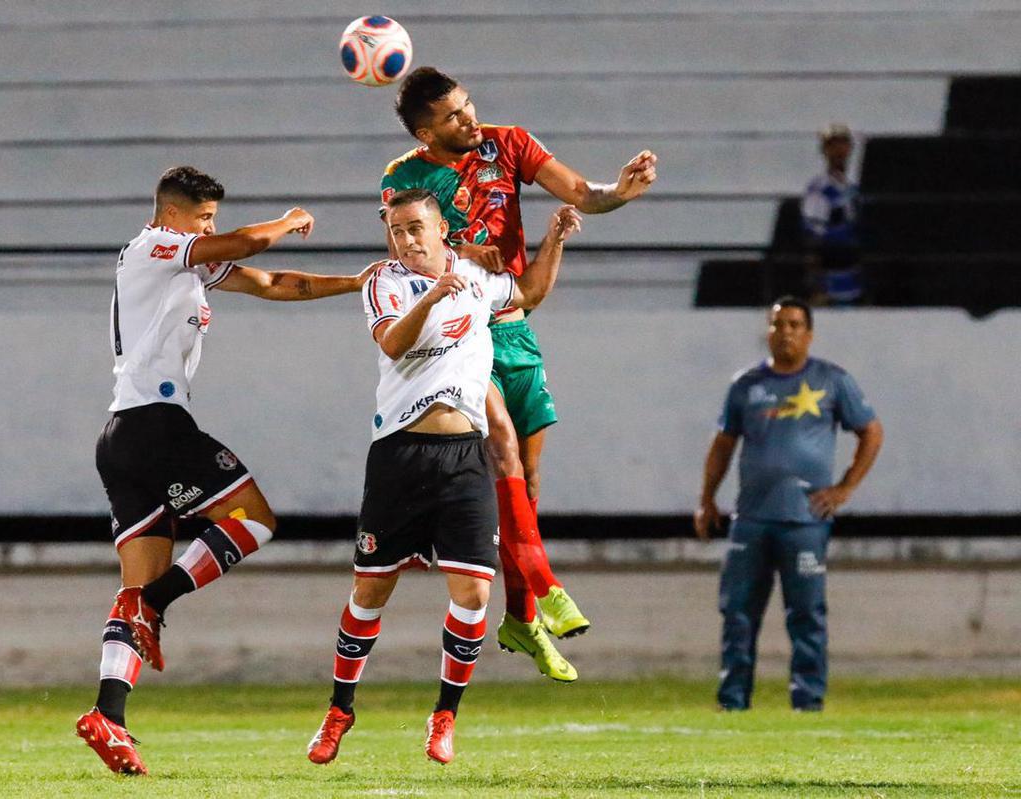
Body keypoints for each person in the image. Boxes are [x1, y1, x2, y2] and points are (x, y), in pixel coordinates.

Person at [75, 165, 374, 776]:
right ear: (172, 215)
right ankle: (153, 605)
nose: (209, 228)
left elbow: (270, 281)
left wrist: (355, 283)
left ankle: (109, 715)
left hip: (124, 436)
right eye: (203, 217)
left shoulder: (185, 262)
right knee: (254, 519)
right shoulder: (153, 247)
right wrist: (289, 221)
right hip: (156, 426)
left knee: (134, 591)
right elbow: (246, 245)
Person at [379, 66, 658, 682]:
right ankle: (546, 585)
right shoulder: (403, 178)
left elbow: (583, 191)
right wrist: (457, 254)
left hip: (516, 323)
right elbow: (410, 252)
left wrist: (622, 190)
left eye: (469, 105)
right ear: (427, 131)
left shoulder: (508, 143)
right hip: (462, 333)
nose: (469, 118)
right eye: (453, 116)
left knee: (528, 484)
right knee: (501, 441)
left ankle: (521, 619)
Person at [307, 189, 582, 766]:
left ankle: (444, 717)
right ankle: (339, 709)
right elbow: (392, 341)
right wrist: (432, 295)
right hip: (399, 455)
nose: (406, 240)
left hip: (464, 457)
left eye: (415, 229)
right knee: (370, 590)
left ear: (439, 231)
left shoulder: (476, 278)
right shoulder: (383, 281)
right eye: (397, 231)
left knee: (475, 591)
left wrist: (553, 240)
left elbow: (528, 291)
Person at [693, 296, 883, 711]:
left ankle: (807, 702)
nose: (787, 332)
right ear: (768, 331)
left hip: (805, 520)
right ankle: (733, 702)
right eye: (779, 324)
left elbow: (871, 431)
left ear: (809, 334)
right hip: (752, 519)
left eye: (796, 325)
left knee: (806, 615)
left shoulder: (831, 380)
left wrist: (844, 488)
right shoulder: (745, 385)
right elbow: (723, 444)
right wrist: (707, 499)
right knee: (738, 614)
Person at [801, 123, 862, 305]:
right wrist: (817, 283)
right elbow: (812, 234)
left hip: (852, 272)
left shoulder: (851, 188)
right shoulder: (820, 189)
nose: (839, 151)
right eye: (833, 146)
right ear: (825, 150)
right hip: (830, 274)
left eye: (843, 145)